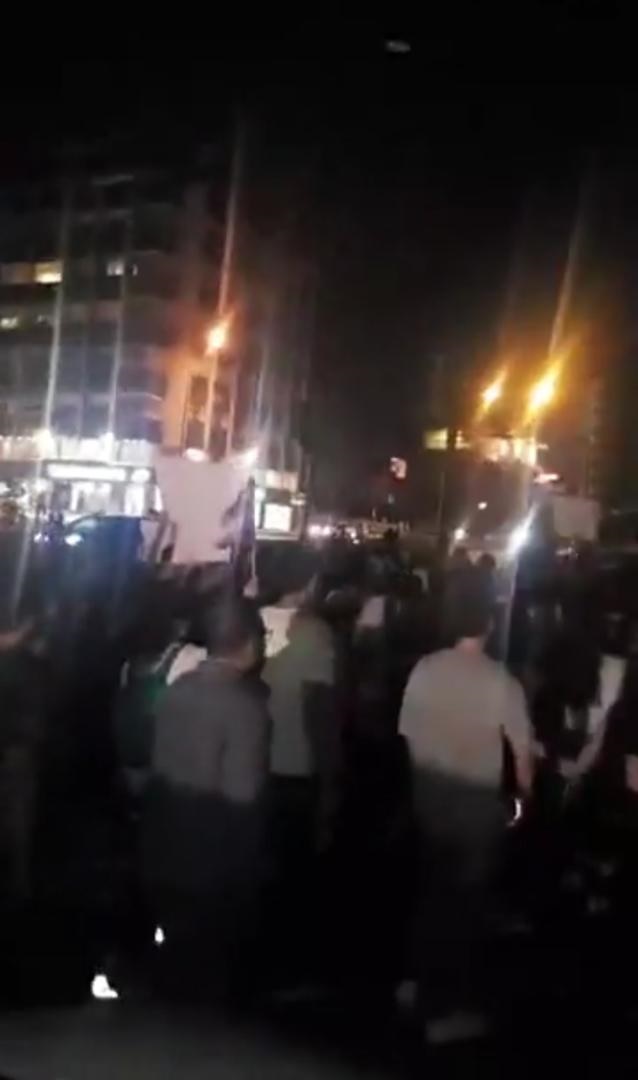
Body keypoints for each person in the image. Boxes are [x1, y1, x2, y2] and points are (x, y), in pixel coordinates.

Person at [399, 568, 533, 1042]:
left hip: (430, 800)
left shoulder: (425, 669)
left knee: (431, 894)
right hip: (477, 811)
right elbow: (522, 756)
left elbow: (408, 737)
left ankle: (416, 984)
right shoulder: (501, 682)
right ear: (490, 622)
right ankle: (445, 1007)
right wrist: (521, 805)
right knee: (466, 905)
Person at [142, 597, 271, 1001]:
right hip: (214, 860)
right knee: (210, 974)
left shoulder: (176, 690)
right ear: (250, 642)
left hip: (166, 843)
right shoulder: (245, 706)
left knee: (176, 961)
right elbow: (244, 795)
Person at [262, 548, 339, 860]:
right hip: (293, 764)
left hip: (250, 760)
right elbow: (319, 710)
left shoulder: (249, 619)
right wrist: (331, 780)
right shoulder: (314, 633)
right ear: (310, 582)